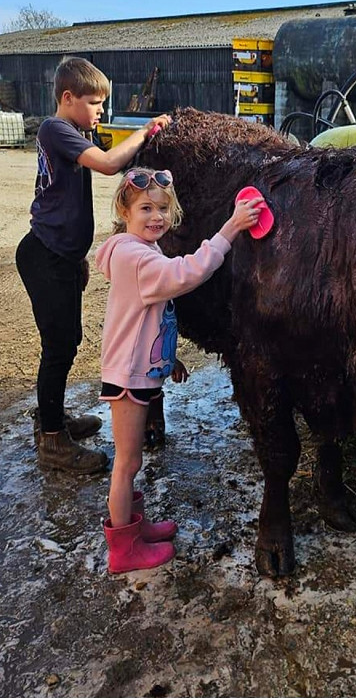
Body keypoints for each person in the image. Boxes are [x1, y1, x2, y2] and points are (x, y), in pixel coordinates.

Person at [96, 166, 263, 573]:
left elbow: (149, 318)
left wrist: (166, 360)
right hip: (127, 378)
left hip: (139, 370)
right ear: (124, 209)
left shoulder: (138, 248)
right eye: (146, 208)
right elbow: (187, 273)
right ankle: (123, 549)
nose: (157, 217)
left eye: (163, 209)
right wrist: (231, 228)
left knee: (131, 462)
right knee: (127, 464)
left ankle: (135, 527)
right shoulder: (138, 259)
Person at [15, 56, 173, 475]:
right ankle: (51, 438)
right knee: (60, 345)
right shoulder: (56, 129)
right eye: (94, 102)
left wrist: (78, 257)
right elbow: (107, 164)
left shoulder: (72, 132)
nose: (100, 111)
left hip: (60, 257)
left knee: (68, 339)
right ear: (68, 98)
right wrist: (143, 132)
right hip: (43, 255)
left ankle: (53, 416)